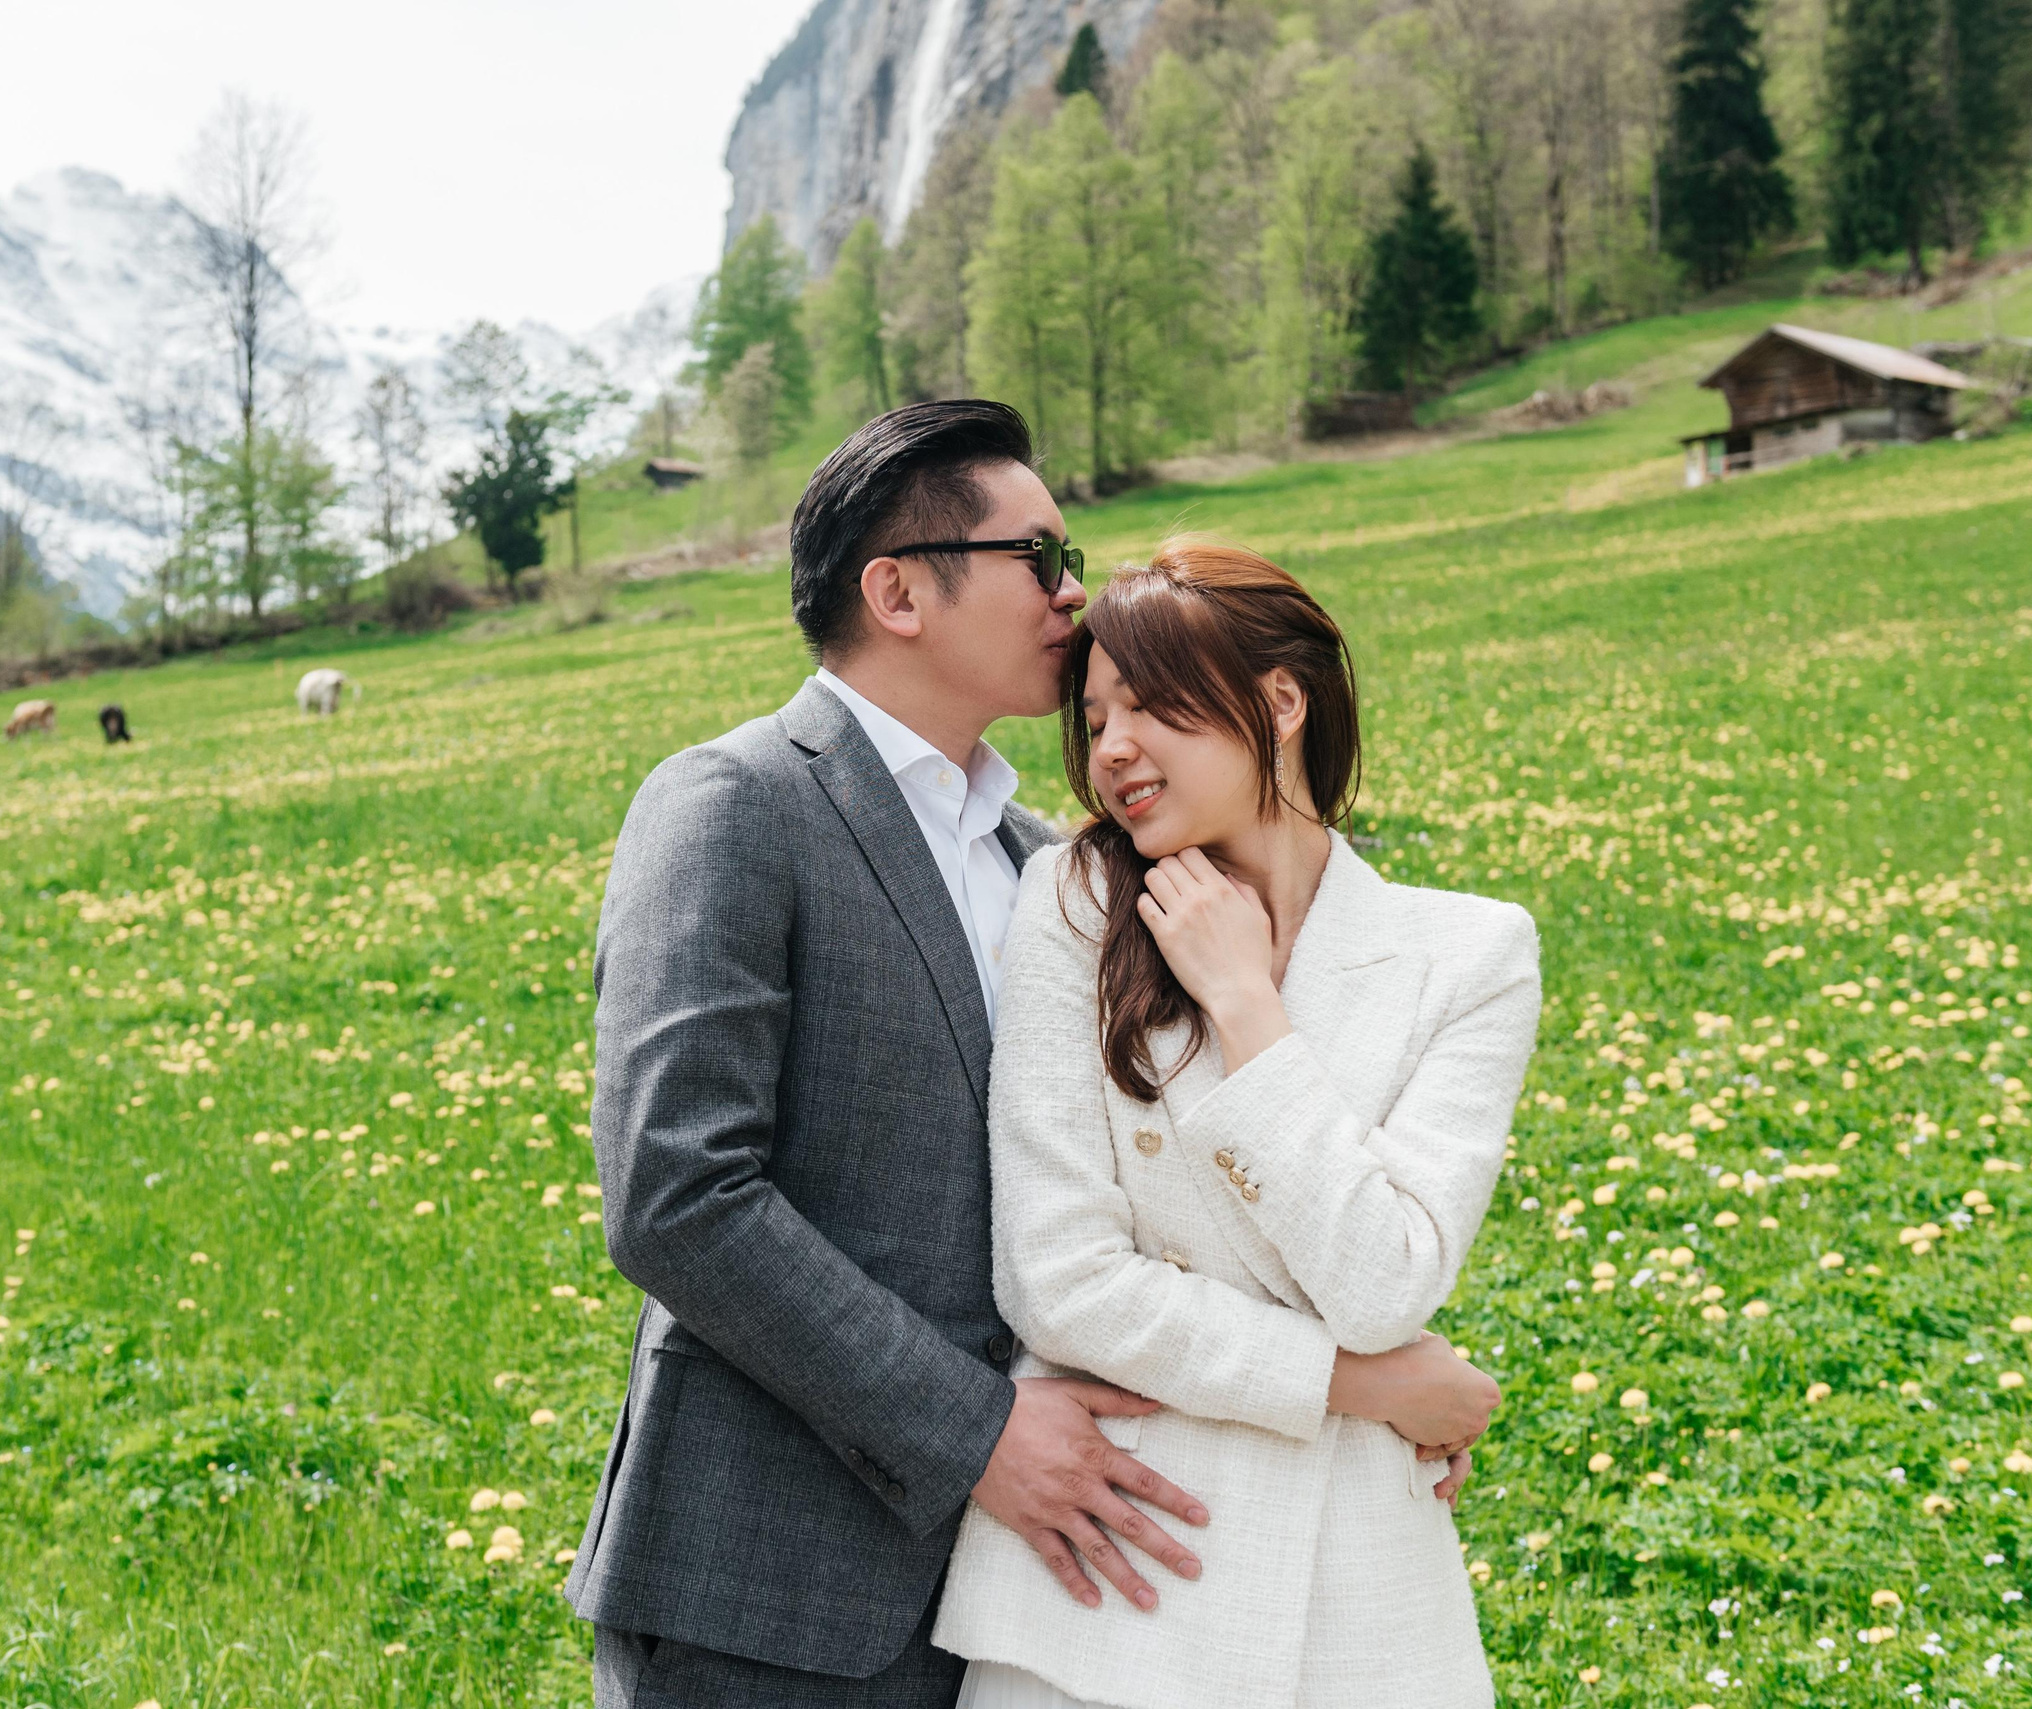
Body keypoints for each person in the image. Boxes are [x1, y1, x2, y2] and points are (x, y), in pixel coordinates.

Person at [566, 404, 1501, 1708]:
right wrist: (975, 1434)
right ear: (897, 588)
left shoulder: (1045, 869)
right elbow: (678, 1196)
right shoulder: (736, 804)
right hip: (767, 1577)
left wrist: (1373, 1391)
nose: (1073, 594)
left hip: (1014, 1589)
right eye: (1040, 556)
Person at [933, 540, 1540, 1709]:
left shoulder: (1467, 952)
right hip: (1106, 1571)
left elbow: (1383, 1282)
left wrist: (1248, 1008)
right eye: (1092, 713)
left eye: (1149, 705)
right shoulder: (1075, 901)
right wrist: (1365, 1385)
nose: (1110, 748)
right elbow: (1060, 1280)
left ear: (1278, 698)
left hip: (1355, 1593)